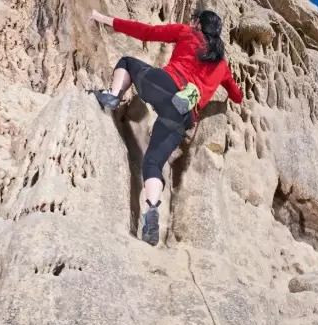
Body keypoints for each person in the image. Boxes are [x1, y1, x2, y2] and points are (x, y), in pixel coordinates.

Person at [87, 9, 243, 245]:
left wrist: (104, 19)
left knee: (127, 62)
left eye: (194, 20)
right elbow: (238, 96)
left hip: (165, 86)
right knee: (153, 163)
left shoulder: (188, 33)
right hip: (184, 113)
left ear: (200, 24)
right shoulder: (221, 65)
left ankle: (112, 95)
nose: (191, 22)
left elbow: (147, 32)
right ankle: (151, 210)